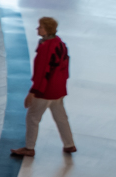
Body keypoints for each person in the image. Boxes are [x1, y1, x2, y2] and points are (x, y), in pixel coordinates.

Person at [12, 17, 74, 158]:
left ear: (47, 30)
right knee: (61, 117)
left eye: (40, 27)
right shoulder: (60, 43)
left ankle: (29, 147)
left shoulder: (46, 48)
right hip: (58, 89)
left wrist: (33, 92)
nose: (37, 28)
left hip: (46, 91)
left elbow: (42, 73)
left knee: (32, 118)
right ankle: (69, 144)